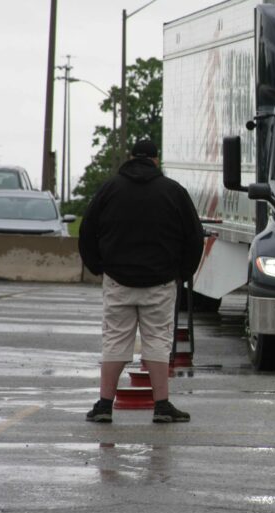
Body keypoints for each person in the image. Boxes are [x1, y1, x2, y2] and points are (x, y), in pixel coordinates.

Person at [79, 139, 204, 423]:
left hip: (118, 280)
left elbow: (87, 231)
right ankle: (161, 405)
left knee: (114, 340)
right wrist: (183, 272)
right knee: (158, 341)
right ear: (156, 161)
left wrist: (98, 266)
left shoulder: (109, 189)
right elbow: (194, 236)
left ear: (130, 157)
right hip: (160, 282)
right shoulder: (173, 191)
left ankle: (103, 405)